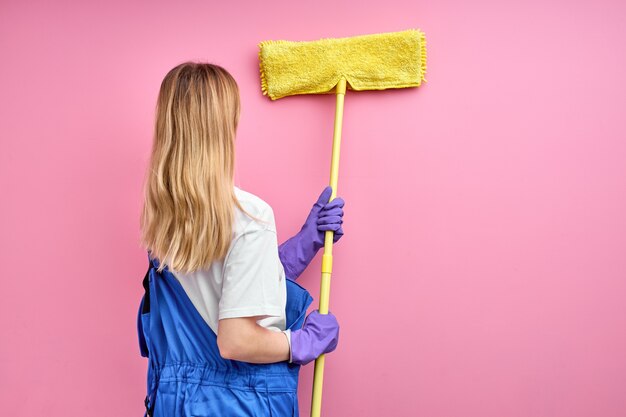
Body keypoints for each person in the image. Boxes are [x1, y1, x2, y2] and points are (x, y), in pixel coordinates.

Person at [136, 61, 345, 417]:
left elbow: (228, 288)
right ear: (223, 128)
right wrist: (300, 343)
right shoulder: (250, 215)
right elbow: (235, 341)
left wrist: (305, 242)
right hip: (239, 404)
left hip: (175, 402)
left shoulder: (163, 219)